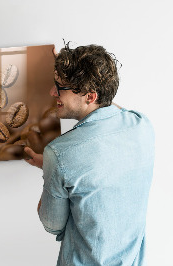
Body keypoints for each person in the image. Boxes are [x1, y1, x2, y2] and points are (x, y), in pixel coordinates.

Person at [24, 43, 155, 265]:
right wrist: (71, 74)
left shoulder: (59, 154)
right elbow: (108, 106)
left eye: (60, 87)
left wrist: (51, 169)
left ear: (90, 96)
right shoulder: (142, 125)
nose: (52, 92)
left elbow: (52, 225)